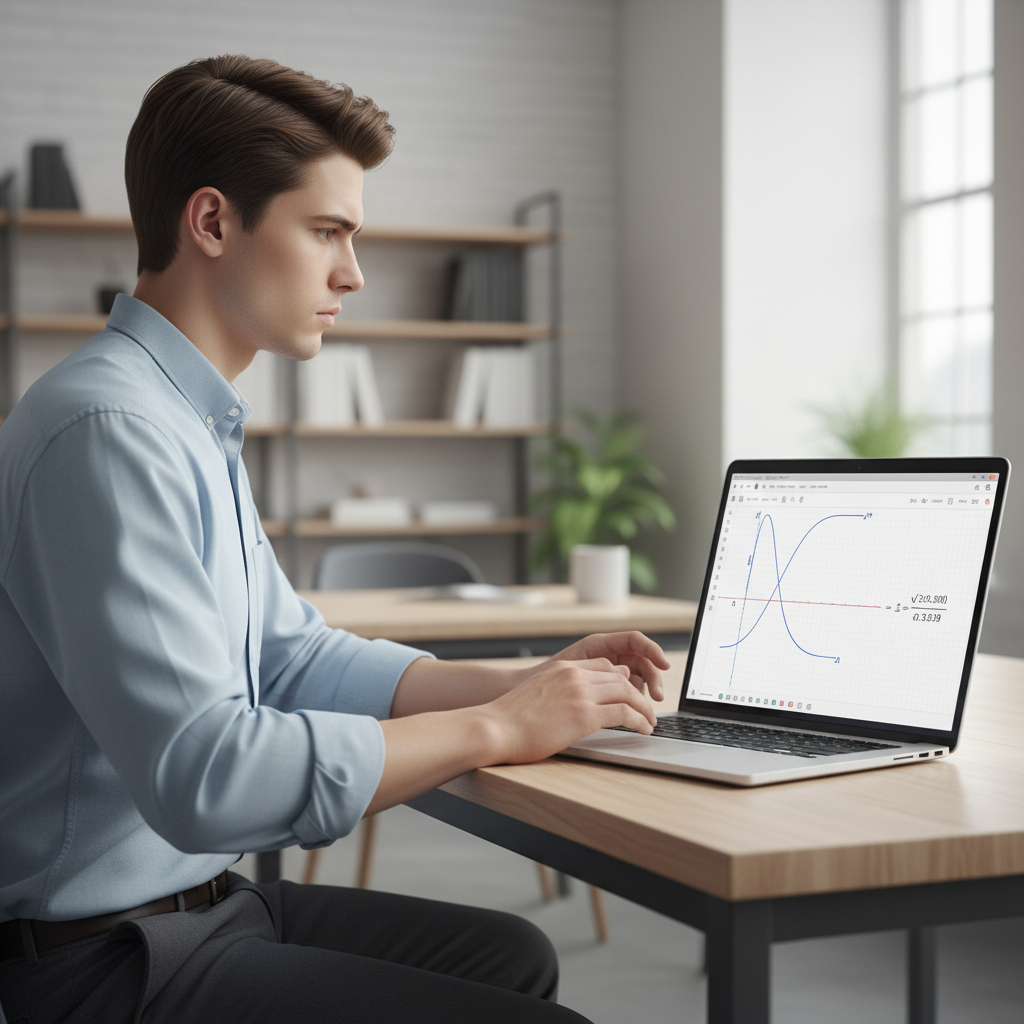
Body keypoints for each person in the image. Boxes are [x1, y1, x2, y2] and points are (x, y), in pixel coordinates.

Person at [0, 55, 668, 1024]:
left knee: (512, 954)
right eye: (328, 232)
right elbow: (208, 773)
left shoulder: (182, 420)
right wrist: (497, 728)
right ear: (214, 221)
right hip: (102, 959)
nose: (352, 273)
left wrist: (526, 683)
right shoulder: (109, 430)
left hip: (198, 905)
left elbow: (291, 652)